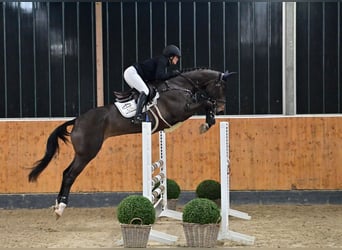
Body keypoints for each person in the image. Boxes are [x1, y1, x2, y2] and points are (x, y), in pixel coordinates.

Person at [124, 44, 181, 124]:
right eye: (177, 57)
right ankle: (137, 116)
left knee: (145, 92)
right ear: (171, 56)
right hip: (132, 73)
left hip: (133, 73)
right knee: (145, 91)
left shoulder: (163, 61)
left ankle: (138, 113)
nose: (177, 60)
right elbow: (159, 76)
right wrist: (172, 74)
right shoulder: (163, 60)